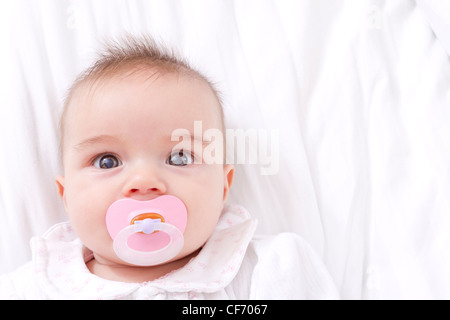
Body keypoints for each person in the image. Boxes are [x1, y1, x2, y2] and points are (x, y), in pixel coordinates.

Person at [0, 35, 339, 299]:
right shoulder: (34, 288)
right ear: (66, 196)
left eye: (179, 157)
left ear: (223, 187)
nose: (145, 181)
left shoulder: (265, 271)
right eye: (107, 161)